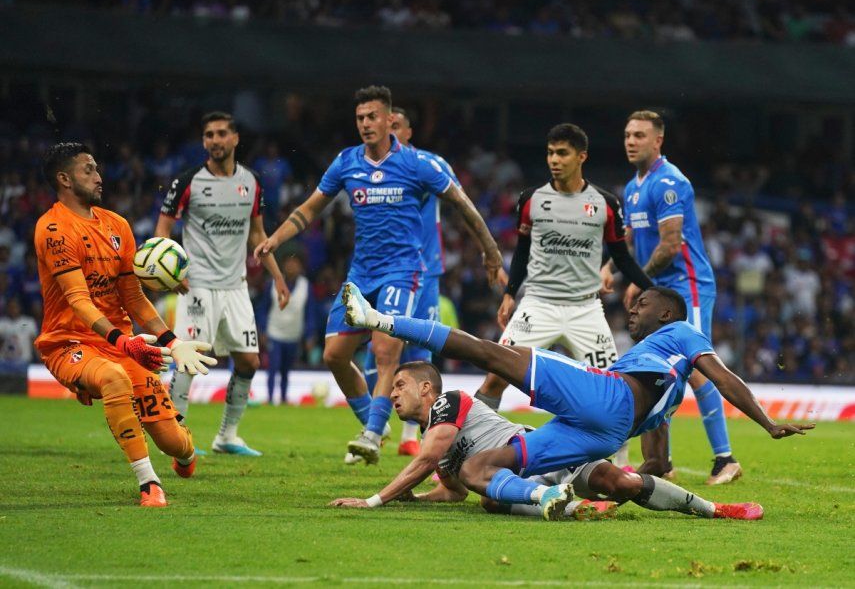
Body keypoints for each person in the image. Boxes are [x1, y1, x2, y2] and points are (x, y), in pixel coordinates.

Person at [341, 282, 813, 520]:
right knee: (478, 470)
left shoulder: (682, 332)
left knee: (496, 355)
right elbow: (657, 451)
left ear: (667, 312)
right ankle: (716, 510)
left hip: (604, 399)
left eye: (642, 303)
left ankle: (379, 319)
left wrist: (766, 421)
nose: (632, 308)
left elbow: (724, 377)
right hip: (606, 430)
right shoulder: (665, 372)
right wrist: (652, 467)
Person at [255, 86, 506, 465]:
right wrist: (275, 238)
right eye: (360, 118)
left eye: (373, 116)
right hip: (361, 274)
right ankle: (373, 422)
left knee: (385, 348)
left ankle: (372, 435)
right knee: (335, 355)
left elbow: (462, 204)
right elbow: (310, 209)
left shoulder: (419, 164)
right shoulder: (347, 162)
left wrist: (490, 250)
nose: (366, 124)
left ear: (391, 120)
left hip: (403, 272)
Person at [330, 361, 765, 523]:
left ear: (427, 390)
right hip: (524, 475)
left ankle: (712, 509)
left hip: (546, 453)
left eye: (400, 385)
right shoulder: (435, 434)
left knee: (625, 485)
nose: (392, 393)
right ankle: (567, 505)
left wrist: (374, 500)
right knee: (485, 496)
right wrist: (416, 499)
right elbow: (453, 490)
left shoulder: (450, 402)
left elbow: (427, 460)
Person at [35, 142, 216, 507]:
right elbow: (78, 300)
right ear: (64, 178)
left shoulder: (117, 225)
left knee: (172, 440)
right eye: (89, 170)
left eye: (98, 168)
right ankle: (149, 483)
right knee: (113, 378)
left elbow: (133, 299)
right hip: (69, 343)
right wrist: (123, 341)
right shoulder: (53, 228)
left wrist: (171, 341)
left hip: (120, 343)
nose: (99, 177)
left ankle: (185, 454)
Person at [472, 123, 653, 469]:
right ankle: (471, 449)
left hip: (586, 310)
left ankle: (619, 467)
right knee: (496, 373)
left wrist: (650, 287)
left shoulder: (605, 204)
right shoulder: (532, 200)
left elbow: (622, 256)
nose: (554, 160)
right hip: (537, 305)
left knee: (616, 393)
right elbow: (523, 251)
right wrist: (511, 294)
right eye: (550, 153)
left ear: (581, 156)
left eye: (562, 153)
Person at [614, 110, 740, 484]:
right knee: (658, 368)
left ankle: (726, 459)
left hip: (688, 286)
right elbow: (631, 239)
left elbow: (670, 246)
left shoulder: (670, 182)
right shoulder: (633, 187)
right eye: (627, 135)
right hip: (658, 291)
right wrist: (610, 268)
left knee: (698, 366)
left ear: (658, 141)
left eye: (639, 135)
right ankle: (661, 461)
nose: (631, 141)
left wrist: (637, 280)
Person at [156, 111, 289, 457]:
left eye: (221, 134)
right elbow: (162, 231)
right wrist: (171, 273)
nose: (214, 140)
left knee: (249, 362)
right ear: (204, 142)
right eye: (208, 135)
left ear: (235, 139)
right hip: (197, 285)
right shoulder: (188, 182)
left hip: (236, 286)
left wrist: (278, 277)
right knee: (189, 360)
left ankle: (227, 436)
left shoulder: (252, 182)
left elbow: (258, 236)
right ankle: (175, 434)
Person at [361, 105, 463, 458]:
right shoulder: (371, 169)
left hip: (427, 271)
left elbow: (460, 199)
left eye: (397, 126)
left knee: (420, 349)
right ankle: (375, 423)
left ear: (407, 132)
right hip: (389, 271)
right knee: (381, 348)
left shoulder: (428, 164)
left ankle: (413, 434)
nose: (391, 131)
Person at [259, 254, 313, 405]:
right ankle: (269, 398)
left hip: (293, 334)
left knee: (286, 369)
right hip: (274, 332)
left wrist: (309, 334)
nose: (291, 267)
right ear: (283, 265)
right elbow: (263, 308)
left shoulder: (306, 286)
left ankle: (283, 398)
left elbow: (310, 312)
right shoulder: (273, 283)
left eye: (295, 263)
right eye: (289, 263)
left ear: (300, 267)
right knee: (273, 367)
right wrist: (262, 330)